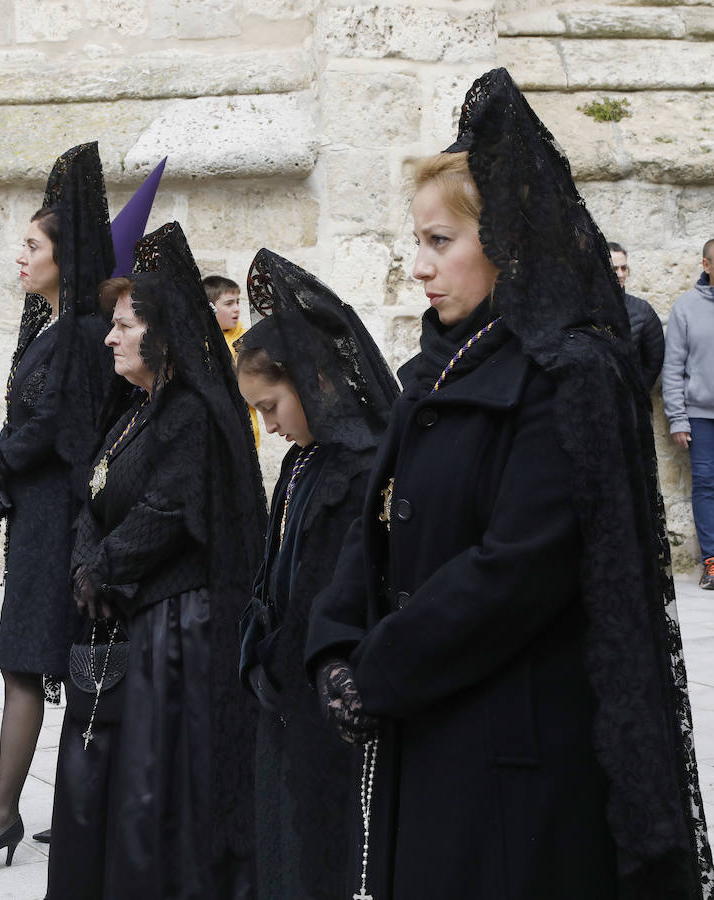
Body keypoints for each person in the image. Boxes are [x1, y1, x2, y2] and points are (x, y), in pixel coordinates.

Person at [306, 69, 713, 900]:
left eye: (439, 242)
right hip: (430, 715)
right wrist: (334, 644)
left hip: (511, 746)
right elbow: (374, 524)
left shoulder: (570, 372)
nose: (417, 267)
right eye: (414, 241)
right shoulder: (438, 365)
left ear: (507, 240)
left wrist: (379, 671)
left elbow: (517, 567)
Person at [46, 222, 267, 900]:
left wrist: (107, 568)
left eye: (123, 326)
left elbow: (169, 511)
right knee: (103, 781)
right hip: (122, 620)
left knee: (153, 787)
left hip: (174, 629)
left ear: (161, 332)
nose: (110, 338)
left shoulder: (192, 415)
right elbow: (92, 497)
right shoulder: (133, 413)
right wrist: (89, 565)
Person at [0, 142, 115, 869]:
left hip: (59, 523)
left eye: (31, 245)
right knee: (38, 662)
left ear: (65, 257)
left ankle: (2, 814)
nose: (20, 256)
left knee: (28, 664)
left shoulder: (86, 333)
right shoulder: (54, 331)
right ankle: (63, 810)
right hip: (40, 518)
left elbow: (57, 428)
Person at [236, 249, 399, 900]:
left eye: (271, 405)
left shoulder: (357, 467)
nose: (267, 425)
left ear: (312, 380)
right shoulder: (301, 462)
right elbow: (274, 567)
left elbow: (336, 590)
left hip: (325, 699)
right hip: (280, 695)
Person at [663, 239, 714, 588]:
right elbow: (672, 369)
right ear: (706, 265)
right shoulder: (686, 307)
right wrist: (678, 418)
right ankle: (712, 560)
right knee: (707, 485)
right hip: (701, 416)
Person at [203, 273, 260, 447]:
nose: (236, 308)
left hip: (242, 432)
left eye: (237, 302)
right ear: (210, 307)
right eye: (229, 303)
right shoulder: (199, 342)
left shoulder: (247, 342)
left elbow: (256, 393)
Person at [608, 241, 664, 391]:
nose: (620, 274)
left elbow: (654, 361)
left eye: (624, 268)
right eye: (614, 268)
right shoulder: (586, 309)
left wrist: (637, 394)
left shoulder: (642, 311)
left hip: (632, 405)